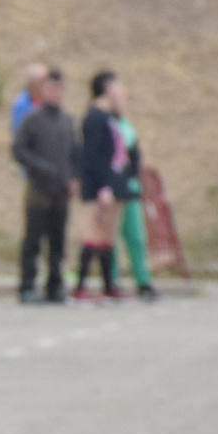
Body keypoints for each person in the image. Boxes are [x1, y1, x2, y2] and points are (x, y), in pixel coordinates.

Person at [10, 66, 76, 304]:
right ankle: (27, 285)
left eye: (59, 88)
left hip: (60, 190)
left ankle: (55, 286)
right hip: (38, 189)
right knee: (33, 240)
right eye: (51, 88)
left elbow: (74, 154)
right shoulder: (32, 119)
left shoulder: (67, 121)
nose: (55, 93)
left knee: (57, 241)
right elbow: (18, 150)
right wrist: (40, 168)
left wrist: (73, 178)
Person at [72, 69, 129, 302]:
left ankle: (108, 285)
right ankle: (80, 287)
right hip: (98, 187)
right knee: (93, 234)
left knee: (107, 237)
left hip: (112, 185)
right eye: (117, 86)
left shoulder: (111, 118)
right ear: (107, 88)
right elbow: (93, 157)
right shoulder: (94, 118)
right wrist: (103, 187)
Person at [112, 94, 159, 301]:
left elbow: (134, 155)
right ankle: (111, 280)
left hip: (130, 188)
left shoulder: (127, 126)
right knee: (110, 239)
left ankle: (143, 280)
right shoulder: (106, 125)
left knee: (136, 237)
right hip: (113, 190)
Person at [8, 63, 46, 138]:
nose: (45, 85)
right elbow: (18, 132)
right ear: (32, 84)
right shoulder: (21, 105)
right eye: (42, 82)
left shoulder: (48, 100)